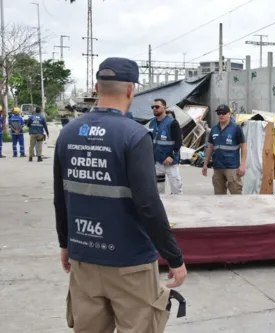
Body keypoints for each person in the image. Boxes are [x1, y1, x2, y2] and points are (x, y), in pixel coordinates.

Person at [53, 57, 187, 332]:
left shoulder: (67, 134)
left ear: (96, 87)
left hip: (84, 257)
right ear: (130, 91)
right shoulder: (135, 135)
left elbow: (60, 197)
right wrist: (174, 257)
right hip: (131, 263)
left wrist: (65, 244)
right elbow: (148, 203)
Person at [202, 104, 247, 194]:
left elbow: (244, 146)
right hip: (218, 168)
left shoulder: (236, 128)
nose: (221, 115)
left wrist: (242, 165)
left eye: (223, 113)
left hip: (232, 168)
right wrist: (205, 164)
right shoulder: (214, 129)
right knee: (219, 196)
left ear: (229, 114)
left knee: (236, 195)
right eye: (219, 113)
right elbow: (210, 147)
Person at [149, 98, 183, 195]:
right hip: (158, 162)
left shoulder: (172, 123)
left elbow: (178, 142)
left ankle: (179, 207)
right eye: (153, 107)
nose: (154, 108)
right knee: (158, 189)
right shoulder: (152, 123)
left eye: (157, 107)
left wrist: (171, 156)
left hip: (170, 162)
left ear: (164, 108)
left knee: (176, 187)